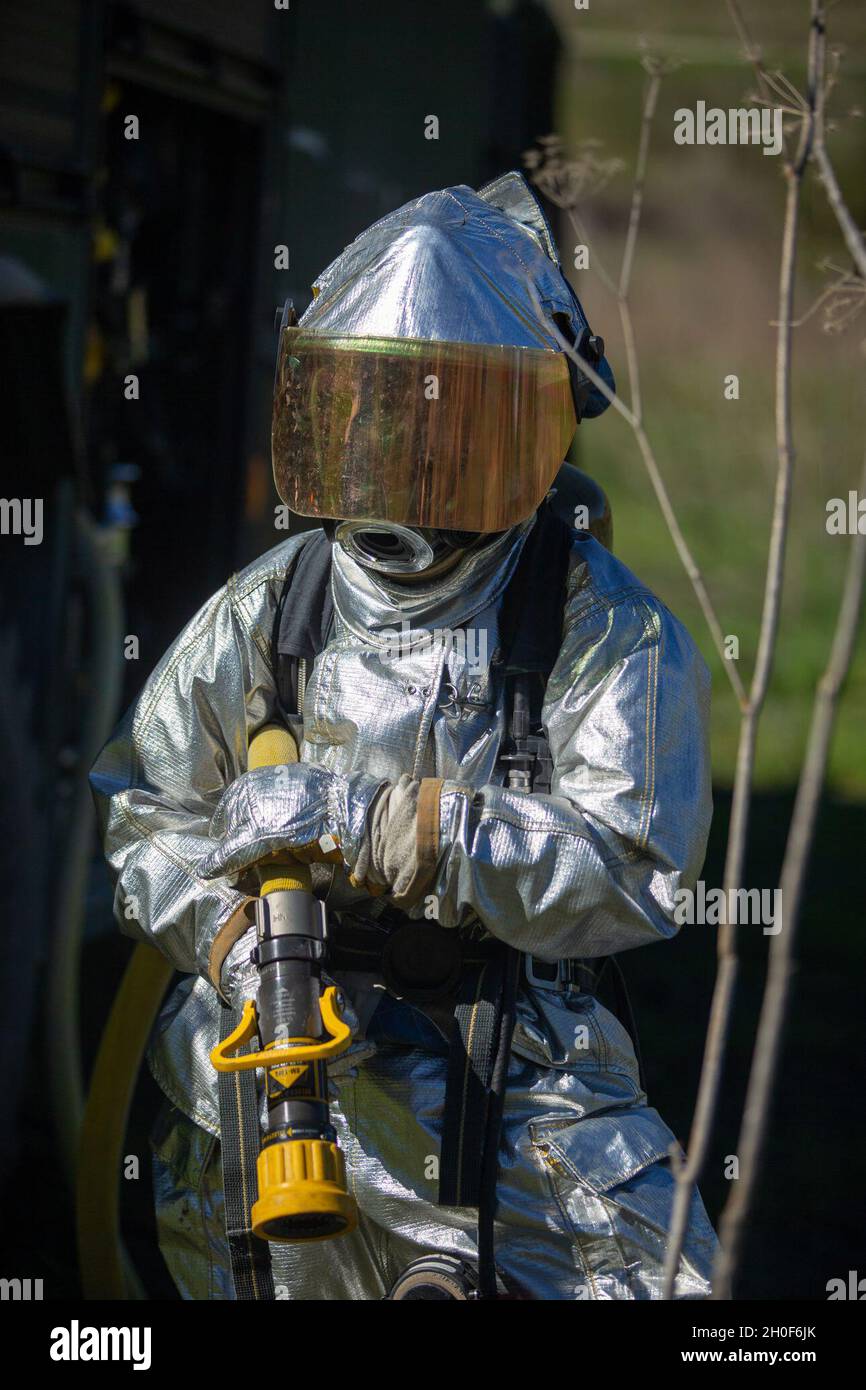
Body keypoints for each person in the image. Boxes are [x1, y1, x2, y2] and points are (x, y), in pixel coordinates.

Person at [91, 171, 717, 1300]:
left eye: (457, 435)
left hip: (517, 1100)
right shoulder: (275, 607)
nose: (409, 485)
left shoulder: (598, 626)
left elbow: (631, 865)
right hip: (271, 1099)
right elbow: (146, 815)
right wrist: (233, 938)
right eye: (377, 432)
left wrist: (394, 827)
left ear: (539, 423)